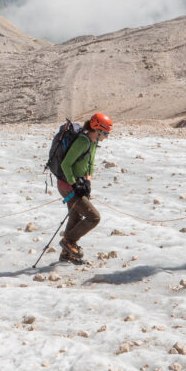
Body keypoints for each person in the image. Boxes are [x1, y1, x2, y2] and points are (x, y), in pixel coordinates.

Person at [56, 113, 112, 264]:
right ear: (97, 130)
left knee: (75, 217)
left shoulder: (93, 143)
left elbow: (91, 164)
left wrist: (88, 182)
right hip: (67, 185)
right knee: (94, 217)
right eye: (105, 133)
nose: (106, 137)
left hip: (77, 184)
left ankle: (66, 255)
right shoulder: (82, 141)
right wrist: (75, 184)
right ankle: (68, 242)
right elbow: (65, 164)